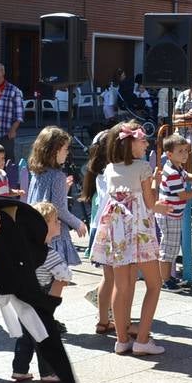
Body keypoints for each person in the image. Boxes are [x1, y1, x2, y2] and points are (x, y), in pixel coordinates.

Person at [90, 122, 168, 356]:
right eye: (142, 139)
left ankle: (121, 339)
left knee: (120, 286)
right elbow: (150, 203)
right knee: (155, 284)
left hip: (117, 231)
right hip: (139, 230)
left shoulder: (111, 168)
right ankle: (143, 339)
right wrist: (164, 206)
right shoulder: (144, 167)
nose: (146, 143)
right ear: (129, 143)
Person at [10, 202, 72, 383]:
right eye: (55, 221)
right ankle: (48, 372)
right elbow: (64, 274)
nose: (59, 223)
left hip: (23, 296)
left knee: (26, 334)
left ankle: (19, 369)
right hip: (41, 297)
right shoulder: (48, 253)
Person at [26, 126, 86, 271]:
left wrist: (63, 190)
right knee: (58, 279)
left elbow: (44, 201)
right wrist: (77, 223)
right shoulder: (58, 176)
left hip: (37, 230)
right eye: (65, 149)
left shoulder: (37, 173)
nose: (67, 153)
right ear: (54, 151)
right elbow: (59, 209)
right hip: (55, 234)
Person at [156, 134, 192, 290]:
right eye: (181, 151)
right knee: (169, 248)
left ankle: (168, 277)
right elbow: (183, 195)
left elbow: (186, 176)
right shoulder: (171, 173)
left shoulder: (176, 167)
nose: (185, 154)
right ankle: (165, 280)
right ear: (170, 154)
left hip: (173, 214)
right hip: (169, 214)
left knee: (171, 247)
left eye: (186, 150)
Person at [80, 138, 116, 335]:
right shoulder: (111, 172)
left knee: (109, 277)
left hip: (101, 227)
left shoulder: (101, 171)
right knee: (113, 278)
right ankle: (107, 316)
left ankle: (104, 317)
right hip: (109, 228)